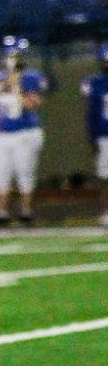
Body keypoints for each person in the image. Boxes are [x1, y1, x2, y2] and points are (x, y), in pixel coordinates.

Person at [0, 35, 46, 226]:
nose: (13, 58)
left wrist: (16, 86)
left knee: (24, 173)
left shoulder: (33, 77)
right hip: (3, 133)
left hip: (26, 132)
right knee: (0, 172)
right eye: (11, 55)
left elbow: (34, 104)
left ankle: (26, 213)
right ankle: (1, 214)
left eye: (17, 55)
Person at [86, 42, 108, 230]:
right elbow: (91, 113)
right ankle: (106, 214)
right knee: (105, 177)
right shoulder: (95, 82)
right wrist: (92, 136)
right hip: (105, 135)